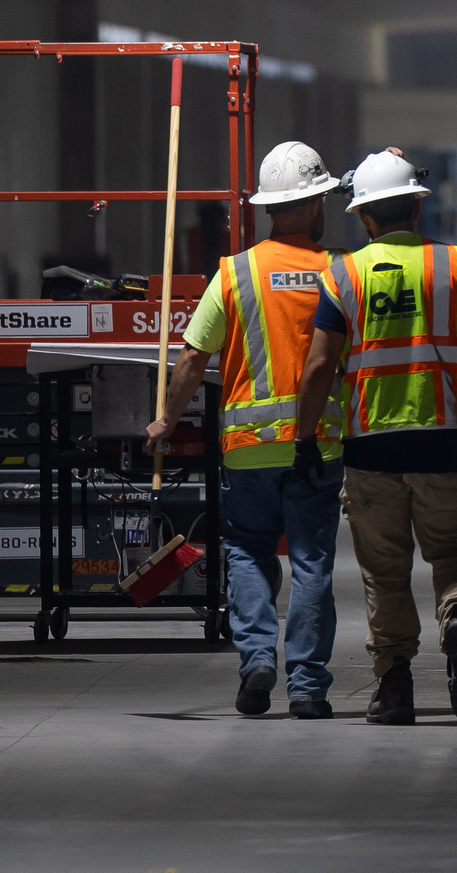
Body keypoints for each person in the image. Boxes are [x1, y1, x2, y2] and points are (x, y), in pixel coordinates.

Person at [285, 150, 457, 729]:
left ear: (363, 217)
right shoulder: (454, 265)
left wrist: (306, 437)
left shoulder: (342, 274)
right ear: (418, 206)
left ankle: (394, 688)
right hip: (444, 443)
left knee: (385, 573)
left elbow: (318, 368)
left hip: (371, 449)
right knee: (454, 552)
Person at [142, 140, 350, 720]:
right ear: (313, 205)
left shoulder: (234, 273)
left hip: (249, 450)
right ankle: (307, 687)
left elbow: (190, 360)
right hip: (317, 445)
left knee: (248, 550)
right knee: (312, 561)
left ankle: (258, 658)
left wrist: (165, 419)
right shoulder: (339, 271)